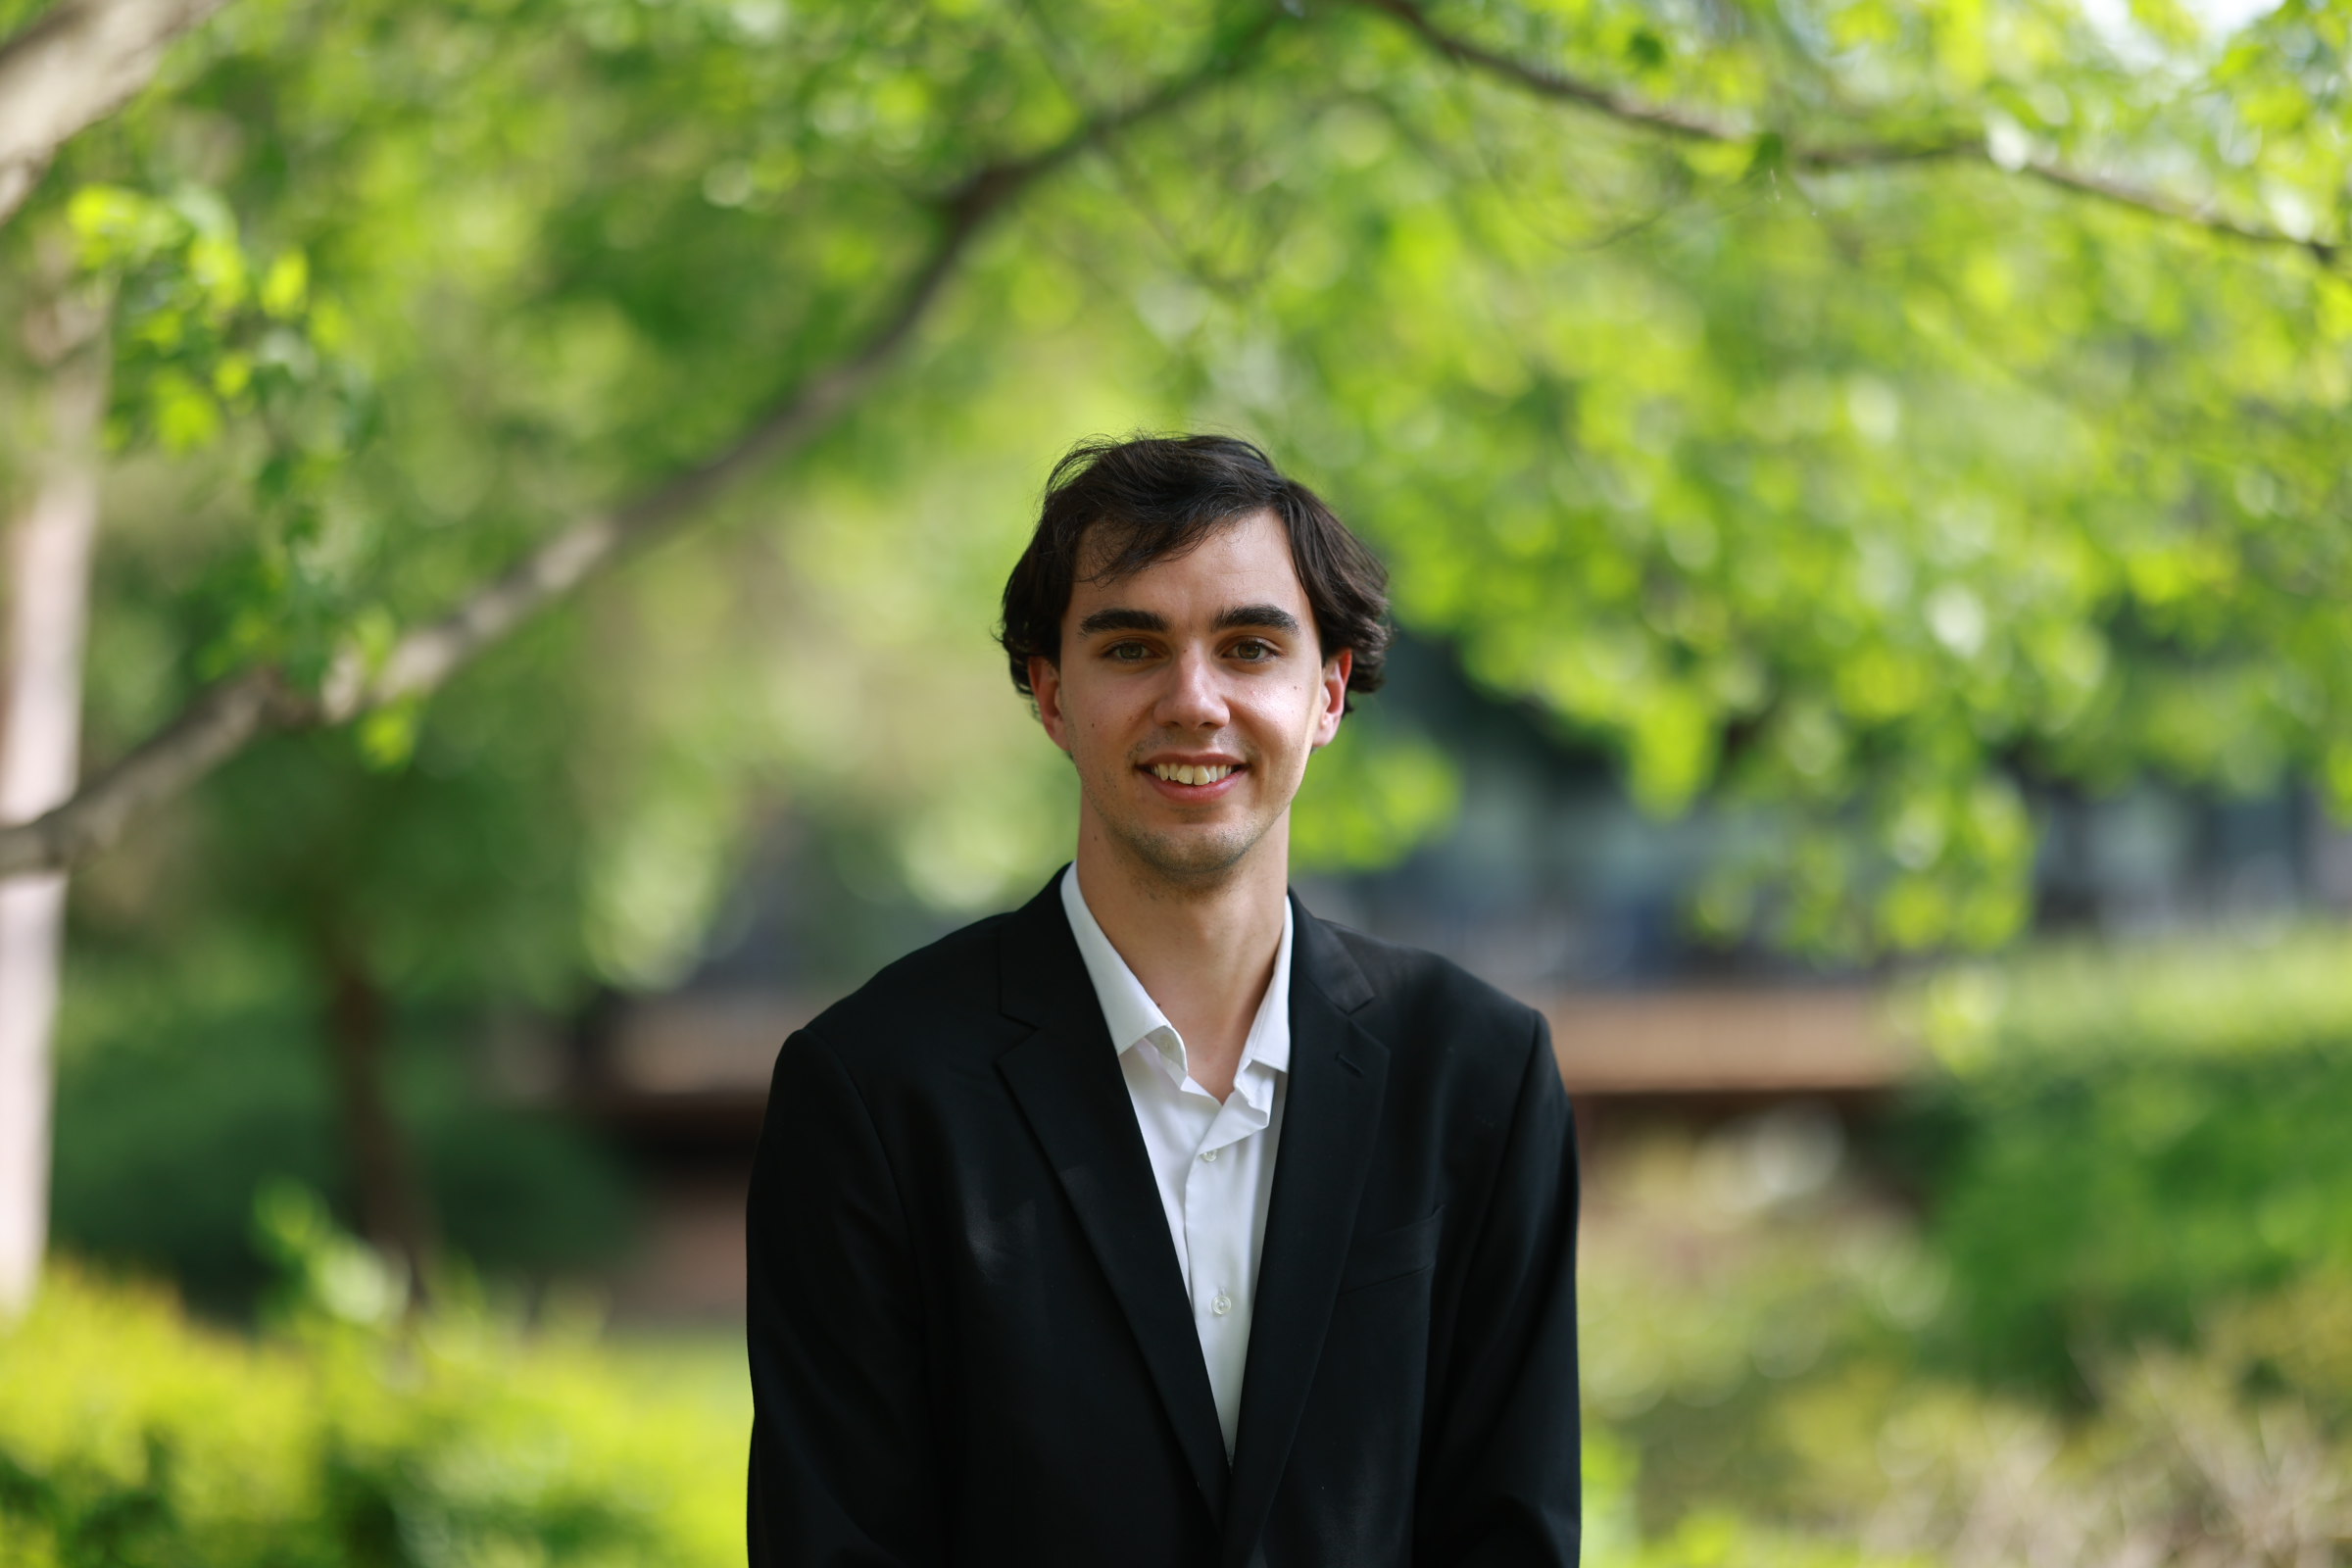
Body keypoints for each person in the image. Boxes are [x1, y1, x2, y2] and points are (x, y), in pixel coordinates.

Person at [746, 434, 1581, 1566]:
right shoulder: (874, 1091)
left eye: (1248, 646)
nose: (1195, 701)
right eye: (1133, 646)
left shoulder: (1479, 1071)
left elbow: (1512, 1535)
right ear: (1050, 693)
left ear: (1327, 691)